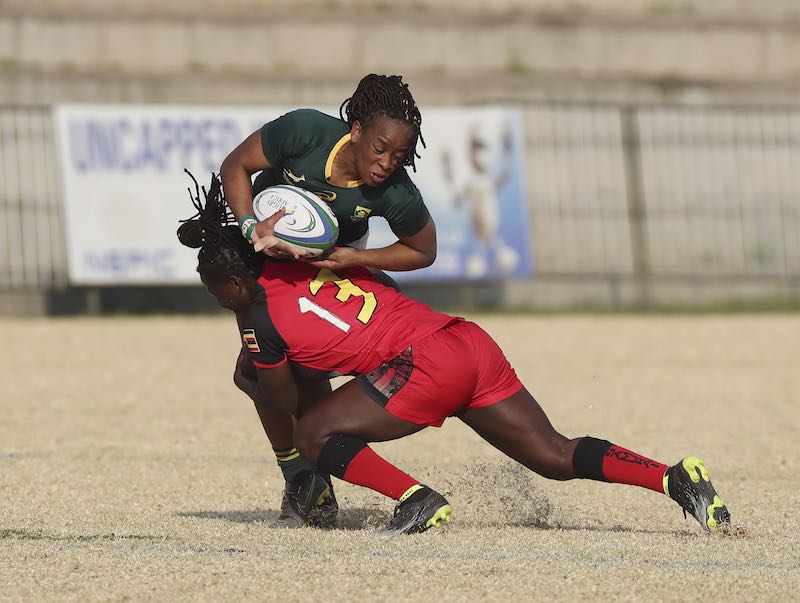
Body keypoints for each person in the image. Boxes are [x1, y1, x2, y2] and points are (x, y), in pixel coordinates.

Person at [179, 175, 732, 535]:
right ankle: (675, 478)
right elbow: (373, 289)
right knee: (553, 454)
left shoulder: (256, 316)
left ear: (232, 283)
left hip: (421, 364)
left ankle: (416, 499)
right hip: (466, 340)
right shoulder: (307, 256)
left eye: (215, 292)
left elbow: (281, 397)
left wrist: (249, 378)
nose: (217, 302)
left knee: (312, 435)